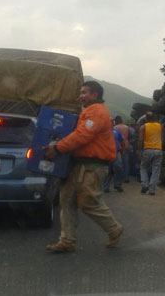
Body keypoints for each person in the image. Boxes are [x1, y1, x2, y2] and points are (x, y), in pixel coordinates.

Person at [44, 81, 122, 252]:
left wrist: (57, 148)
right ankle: (67, 241)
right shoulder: (88, 111)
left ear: (95, 95)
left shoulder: (97, 112)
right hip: (78, 164)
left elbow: (82, 135)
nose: (81, 96)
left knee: (88, 202)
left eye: (84, 92)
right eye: (80, 92)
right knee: (66, 201)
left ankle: (114, 229)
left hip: (92, 166)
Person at [138, 111, 163, 195]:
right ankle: (152, 189)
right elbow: (162, 138)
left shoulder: (143, 127)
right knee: (156, 169)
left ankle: (145, 184)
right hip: (158, 150)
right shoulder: (160, 126)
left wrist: (139, 150)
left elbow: (140, 140)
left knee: (143, 167)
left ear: (146, 119)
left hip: (147, 150)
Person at [103, 125, 125, 193]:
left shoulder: (117, 131)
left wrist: (123, 151)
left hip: (116, 152)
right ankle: (105, 187)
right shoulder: (103, 132)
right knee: (107, 170)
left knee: (119, 168)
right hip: (106, 153)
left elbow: (122, 141)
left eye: (111, 122)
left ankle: (118, 185)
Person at [114, 115, 131, 183]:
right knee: (125, 163)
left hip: (118, 147)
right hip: (126, 146)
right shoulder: (127, 127)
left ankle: (119, 177)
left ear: (116, 121)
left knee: (118, 164)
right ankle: (126, 178)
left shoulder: (115, 127)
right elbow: (129, 136)